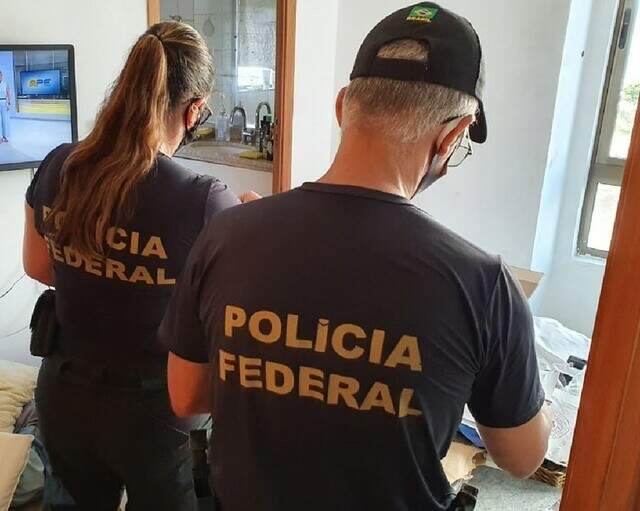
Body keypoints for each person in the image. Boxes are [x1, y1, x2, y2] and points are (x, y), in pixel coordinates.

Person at [160, 3, 552, 510]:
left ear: (343, 106)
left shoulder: (225, 234)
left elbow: (187, 397)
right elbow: (522, 457)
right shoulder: (483, 285)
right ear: (452, 136)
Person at [23, 22, 244, 510]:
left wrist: (98, 270)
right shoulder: (205, 200)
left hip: (64, 394)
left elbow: (39, 265)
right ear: (194, 110)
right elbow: (233, 313)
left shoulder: (59, 164)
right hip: (159, 414)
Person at [0, 70, 12, 143]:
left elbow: (8, 94)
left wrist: (8, 103)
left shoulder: (5, 84)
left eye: (0, 75)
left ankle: (5, 136)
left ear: (2, 76)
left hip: (4, 102)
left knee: (4, 120)